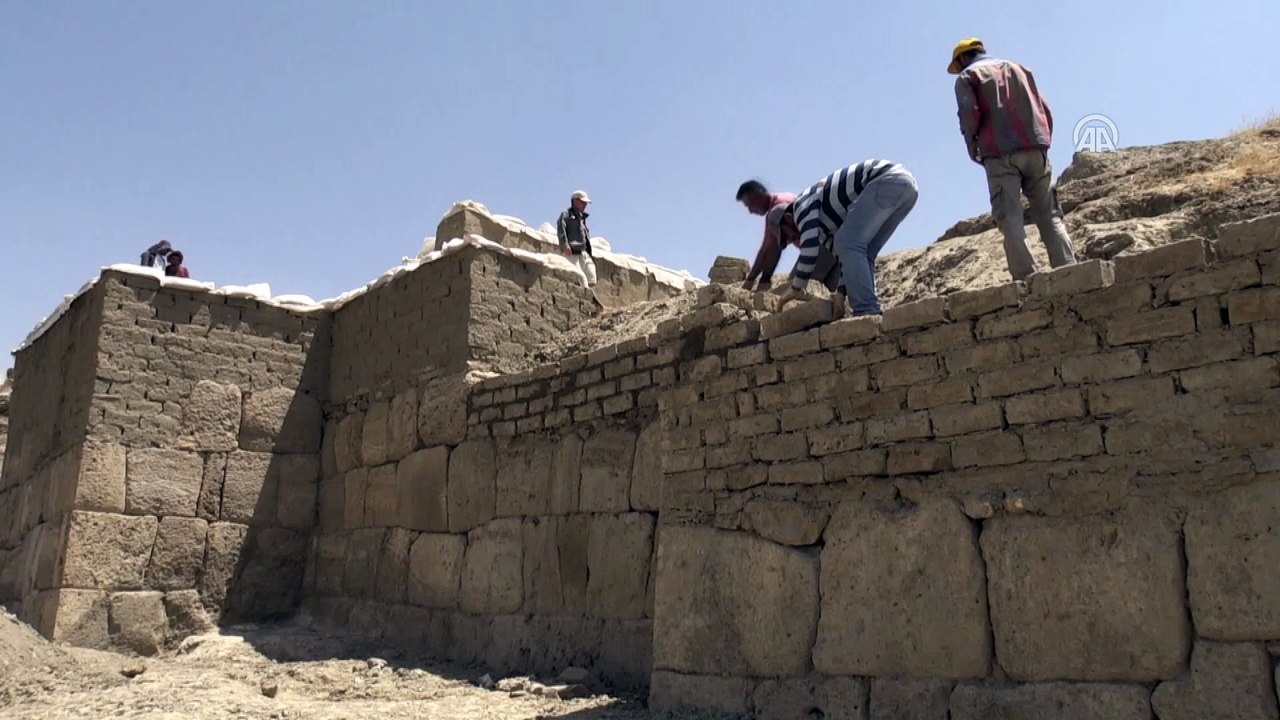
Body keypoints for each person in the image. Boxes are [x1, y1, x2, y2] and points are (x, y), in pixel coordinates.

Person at [949, 37, 1077, 282]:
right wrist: (1041, 140)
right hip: (1035, 147)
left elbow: (969, 113)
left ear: (963, 57)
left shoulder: (968, 76)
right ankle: (1069, 270)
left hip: (999, 153)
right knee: (1049, 214)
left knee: (1010, 218)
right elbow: (1044, 108)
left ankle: (1027, 278)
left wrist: (972, 144)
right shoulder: (1020, 69)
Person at [774, 160, 919, 317]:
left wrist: (795, 288)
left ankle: (865, 309)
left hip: (887, 179)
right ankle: (871, 309)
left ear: (787, 218)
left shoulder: (800, 206)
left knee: (848, 243)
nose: (791, 239)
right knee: (863, 252)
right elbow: (845, 260)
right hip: (906, 187)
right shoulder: (823, 230)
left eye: (786, 235)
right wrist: (840, 294)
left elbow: (810, 250)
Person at [735, 180, 842, 293]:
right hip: (837, 245)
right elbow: (766, 248)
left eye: (750, 204)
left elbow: (772, 249)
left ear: (759, 194)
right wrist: (753, 279)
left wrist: (761, 281)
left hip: (822, 243)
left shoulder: (779, 207)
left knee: (794, 289)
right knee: (829, 293)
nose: (750, 211)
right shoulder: (776, 207)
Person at [556, 190, 597, 289]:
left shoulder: (582, 218)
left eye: (586, 203)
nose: (585, 205)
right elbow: (561, 228)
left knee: (591, 276)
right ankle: (583, 294)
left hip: (583, 252)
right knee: (581, 279)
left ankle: (587, 294)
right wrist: (565, 244)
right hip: (572, 252)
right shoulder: (566, 214)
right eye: (583, 202)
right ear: (575, 201)